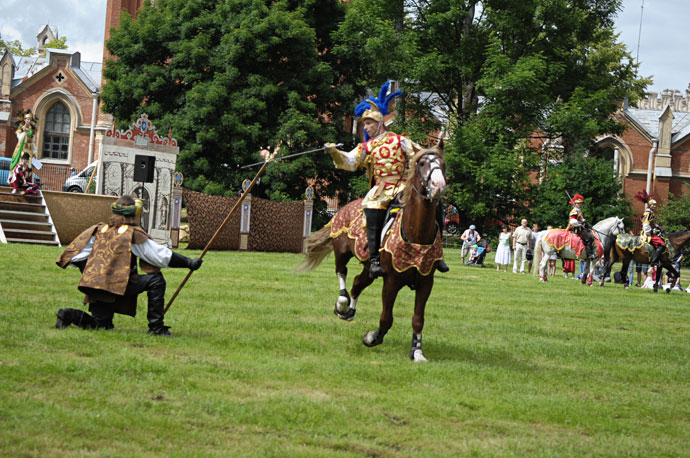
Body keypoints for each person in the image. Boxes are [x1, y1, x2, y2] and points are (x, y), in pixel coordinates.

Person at [325, 82, 448, 277]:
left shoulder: (400, 140)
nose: (366, 127)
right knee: (373, 213)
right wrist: (334, 152)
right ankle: (374, 260)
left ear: (379, 123)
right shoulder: (367, 146)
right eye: (364, 123)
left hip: (403, 187)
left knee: (435, 204)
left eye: (368, 123)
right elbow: (349, 162)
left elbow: (419, 154)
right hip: (380, 189)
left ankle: (438, 254)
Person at [55, 195, 203, 336]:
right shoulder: (130, 234)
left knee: (102, 325)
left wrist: (92, 273)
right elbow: (160, 255)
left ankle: (66, 314)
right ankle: (156, 327)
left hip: (96, 286)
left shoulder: (99, 229)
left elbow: (73, 255)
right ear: (134, 214)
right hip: (116, 285)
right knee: (156, 281)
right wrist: (188, 262)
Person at [635, 191, 666, 267]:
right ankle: (654, 261)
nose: (655, 206)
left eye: (655, 205)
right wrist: (651, 231)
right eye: (653, 205)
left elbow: (653, 223)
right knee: (662, 245)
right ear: (650, 205)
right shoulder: (648, 213)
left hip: (650, 231)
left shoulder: (651, 213)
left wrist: (659, 227)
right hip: (648, 233)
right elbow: (646, 224)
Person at [566, 193, 595, 258]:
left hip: (579, 227)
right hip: (574, 228)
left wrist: (585, 222)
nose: (580, 204)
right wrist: (580, 222)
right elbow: (572, 221)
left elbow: (581, 219)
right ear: (575, 204)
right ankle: (589, 254)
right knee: (588, 237)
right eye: (578, 203)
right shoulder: (574, 211)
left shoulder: (579, 211)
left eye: (581, 203)